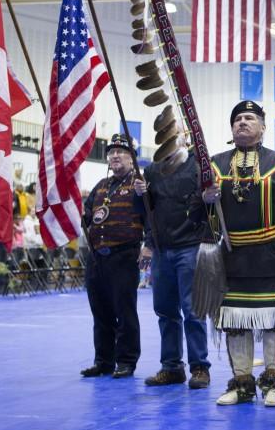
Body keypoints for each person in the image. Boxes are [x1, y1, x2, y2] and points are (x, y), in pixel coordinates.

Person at [202, 101, 275, 407]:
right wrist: (205, 199)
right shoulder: (214, 165)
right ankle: (241, 385)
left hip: (271, 258)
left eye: (250, 118)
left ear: (263, 127)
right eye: (237, 118)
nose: (243, 122)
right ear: (231, 128)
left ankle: (274, 384)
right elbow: (201, 220)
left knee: (273, 323)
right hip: (231, 260)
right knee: (235, 323)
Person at [132, 150, 213, 390]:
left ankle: (199, 367)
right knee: (165, 310)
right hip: (161, 248)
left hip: (191, 245)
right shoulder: (152, 170)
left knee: (192, 309)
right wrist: (140, 195)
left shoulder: (197, 165)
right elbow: (146, 211)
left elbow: (210, 205)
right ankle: (172, 367)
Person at [80, 134, 147, 379]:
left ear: (132, 158)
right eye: (111, 152)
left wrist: (147, 245)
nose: (115, 155)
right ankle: (103, 361)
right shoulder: (100, 186)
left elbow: (150, 217)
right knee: (100, 311)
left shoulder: (140, 185)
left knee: (124, 311)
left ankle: (127, 361)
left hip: (124, 256)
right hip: (97, 258)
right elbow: (87, 216)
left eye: (121, 151)